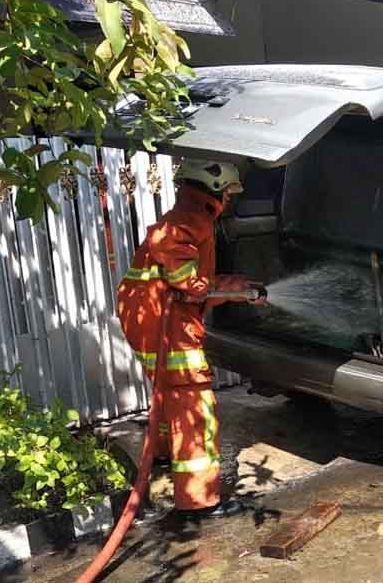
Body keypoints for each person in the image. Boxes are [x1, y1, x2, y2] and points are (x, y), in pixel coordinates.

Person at [116, 159, 264, 519]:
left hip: (147, 318)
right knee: (195, 406)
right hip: (166, 326)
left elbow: (197, 287)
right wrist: (194, 282)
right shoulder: (192, 218)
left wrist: (237, 288)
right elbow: (175, 256)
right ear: (215, 190)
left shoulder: (191, 214)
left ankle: (164, 453)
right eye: (228, 192)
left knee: (170, 392)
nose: (230, 199)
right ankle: (198, 501)